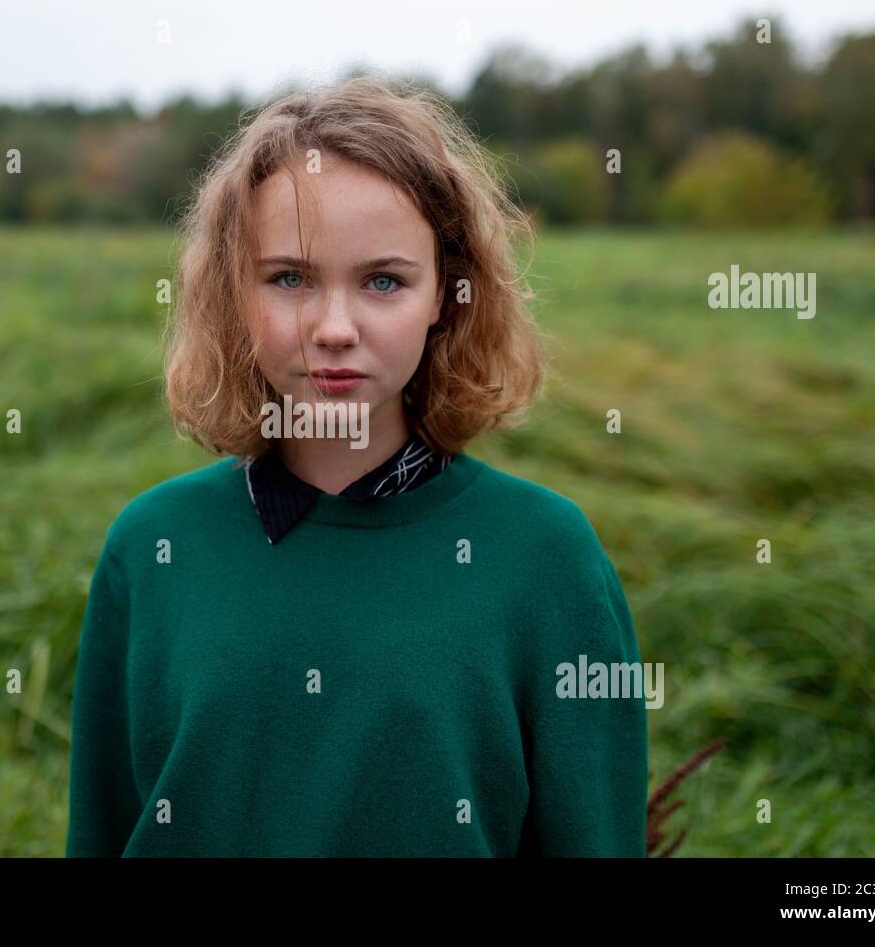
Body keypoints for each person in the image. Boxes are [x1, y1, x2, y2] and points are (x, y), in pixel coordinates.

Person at [66, 75, 649, 857]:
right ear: (235, 294)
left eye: (383, 281)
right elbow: (100, 831)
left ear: (448, 291)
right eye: (290, 279)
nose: (334, 328)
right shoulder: (152, 547)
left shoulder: (547, 558)